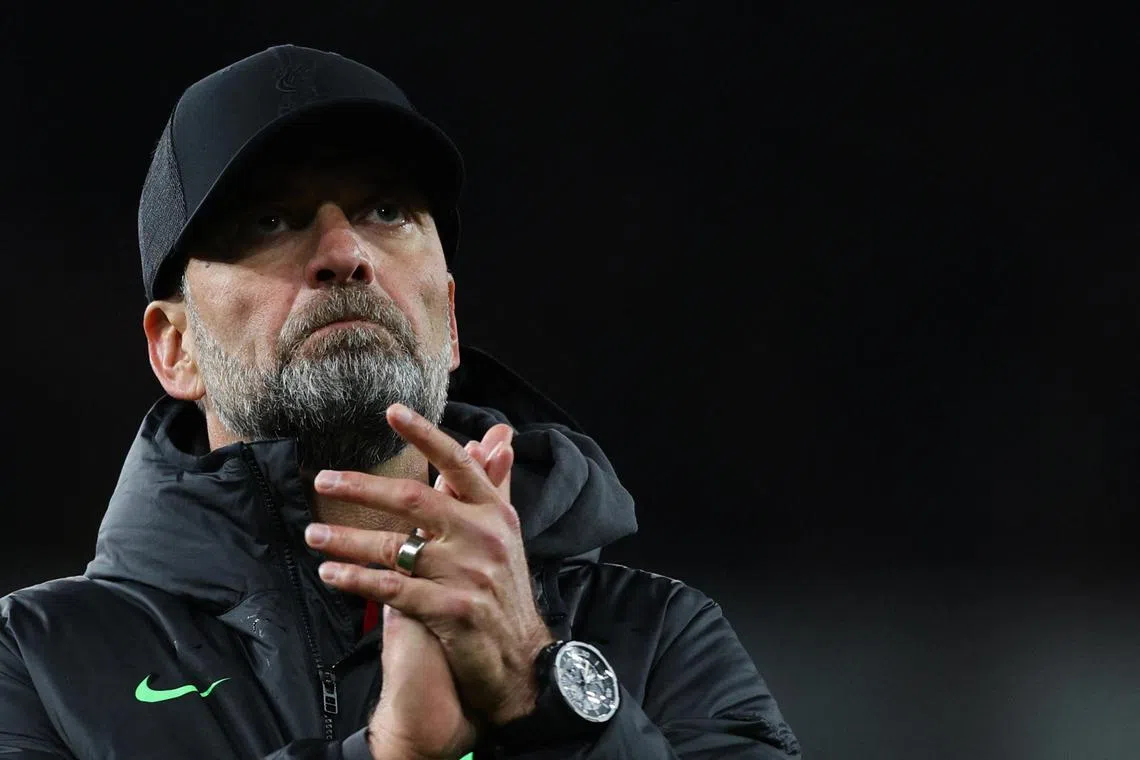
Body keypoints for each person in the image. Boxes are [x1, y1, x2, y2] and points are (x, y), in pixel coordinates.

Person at [0, 44, 800, 759]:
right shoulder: (37, 664)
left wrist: (537, 692)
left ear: (449, 321)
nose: (344, 253)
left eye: (387, 212)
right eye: (270, 219)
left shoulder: (659, 640)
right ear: (174, 348)